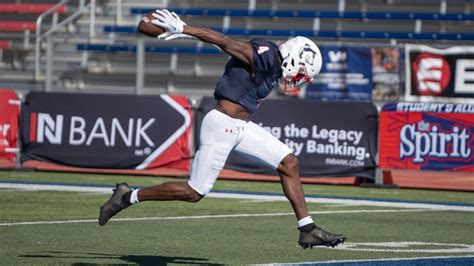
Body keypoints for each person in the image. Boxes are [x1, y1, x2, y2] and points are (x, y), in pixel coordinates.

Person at [99, 9, 346, 249]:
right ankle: (127, 196)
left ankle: (307, 229)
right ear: (296, 57)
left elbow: (225, 47)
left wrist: (188, 32)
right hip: (222, 124)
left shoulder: (271, 63)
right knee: (195, 191)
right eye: (303, 71)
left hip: (239, 126)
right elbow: (226, 42)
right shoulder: (268, 54)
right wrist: (185, 29)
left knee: (288, 162)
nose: (300, 78)